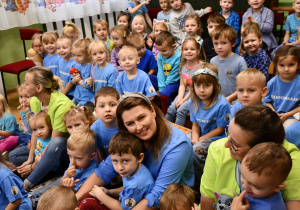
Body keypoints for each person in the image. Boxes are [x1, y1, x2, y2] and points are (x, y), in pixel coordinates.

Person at [76, 92, 194, 209]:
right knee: (86, 201)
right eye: (130, 123)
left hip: (171, 203)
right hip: (137, 194)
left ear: (152, 111)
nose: (139, 127)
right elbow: (104, 171)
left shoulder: (178, 146)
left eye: (142, 117)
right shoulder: (132, 136)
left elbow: (158, 196)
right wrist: (74, 200)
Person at [200, 105, 300, 210]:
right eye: (228, 134)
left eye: (235, 145)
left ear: (261, 151)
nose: (226, 145)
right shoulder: (217, 148)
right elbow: (207, 199)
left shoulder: (286, 160)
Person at [21, 66, 74, 191]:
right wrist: (30, 159)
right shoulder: (35, 100)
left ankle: (26, 185)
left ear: (39, 88)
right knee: (14, 156)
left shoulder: (61, 105)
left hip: (66, 151)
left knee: (57, 142)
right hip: (45, 145)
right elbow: (35, 131)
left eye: (27, 83)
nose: (24, 86)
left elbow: (54, 143)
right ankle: (44, 169)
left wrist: (33, 165)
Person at [84, 132, 155, 209]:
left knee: (87, 204)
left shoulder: (135, 186)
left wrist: (101, 195)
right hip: (124, 199)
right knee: (88, 197)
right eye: (115, 161)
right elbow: (126, 188)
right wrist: (109, 192)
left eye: (125, 161)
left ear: (140, 158)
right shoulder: (134, 169)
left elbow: (121, 209)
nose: (120, 167)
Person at [189, 62, 230, 178]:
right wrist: (194, 138)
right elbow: (195, 125)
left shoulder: (222, 104)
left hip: (218, 137)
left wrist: (198, 140)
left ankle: (206, 177)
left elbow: (220, 129)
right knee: (183, 143)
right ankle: (189, 175)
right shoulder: (193, 101)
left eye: (207, 85)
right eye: (198, 85)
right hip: (201, 134)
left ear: (215, 85)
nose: (201, 90)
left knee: (196, 149)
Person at [231, 142, 291, 210]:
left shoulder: (269, 207)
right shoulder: (256, 189)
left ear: (277, 187)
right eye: (243, 176)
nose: (245, 186)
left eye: (256, 187)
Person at [165, 38, 204, 126]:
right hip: (186, 92)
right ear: (182, 51)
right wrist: (179, 98)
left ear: (198, 51)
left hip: (196, 94)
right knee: (171, 108)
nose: (189, 51)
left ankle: (179, 133)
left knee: (181, 110)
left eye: (192, 49)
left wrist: (183, 100)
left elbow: (194, 89)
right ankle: (164, 128)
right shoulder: (183, 65)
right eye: (186, 49)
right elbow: (182, 85)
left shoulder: (200, 67)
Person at [263, 45, 300, 128]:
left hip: (293, 116)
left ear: (298, 65)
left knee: (287, 130)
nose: (286, 69)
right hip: (274, 115)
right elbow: (266, 101)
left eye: (291, 65)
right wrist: (273, 112)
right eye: (282, 65)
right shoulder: (271, 83)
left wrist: (287, 115)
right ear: (276, 66)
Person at [210, 24, 248, 104]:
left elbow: (245, 85)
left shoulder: (240, 61)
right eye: (216, 43)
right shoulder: (213, 61)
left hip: (236, 101)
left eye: (223, 43)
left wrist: (230, 98)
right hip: (216, 100)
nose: (219, 47)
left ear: (233, 43)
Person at [17, 111, 58, 178]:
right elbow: (37, 149)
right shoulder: (39, 138)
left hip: (49, 169)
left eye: (42, 127)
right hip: (37, 163)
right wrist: (31, 149)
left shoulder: (52, 140)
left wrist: (33, 166)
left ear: (50, 126)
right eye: (34, 130)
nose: (38, 132)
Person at [156, 31, 181, 114]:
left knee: (164, 93)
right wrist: (161, 87)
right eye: (159, 50)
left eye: (164, 51)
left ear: (173, 46)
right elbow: (160, 72)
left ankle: (166, 116)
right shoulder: (161, 55)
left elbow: (173, 76)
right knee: (147, 77)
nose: (161, 53)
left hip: (175, 82)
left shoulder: (178, 56)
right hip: (164, 80)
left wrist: (162, 89)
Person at [91, 87, 119, 161]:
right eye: (102, 106)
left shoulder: (126, 123)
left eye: (112, 105)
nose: (107, 109)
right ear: (96, 111)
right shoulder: (94, 129)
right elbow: (100, 150)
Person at [71, 38, 95, 111]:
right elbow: (72, 81)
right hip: (77, 96)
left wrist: (79, 80)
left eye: (79, 55)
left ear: (88, 55)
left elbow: (87, 85)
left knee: (77, 112)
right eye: (74, 55)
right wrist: (74, 80)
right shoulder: (76, 65)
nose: (76, 58)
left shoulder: (90, 68)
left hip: (86, 98)